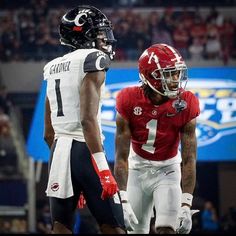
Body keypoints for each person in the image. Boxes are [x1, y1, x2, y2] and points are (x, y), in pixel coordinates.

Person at [43, 5, 125, 234]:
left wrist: (68, 172)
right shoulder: (94, 59)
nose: (105, 40)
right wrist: (103, 170)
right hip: (85, 149)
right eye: (99, 34)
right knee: (114, 227)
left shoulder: (51, 68)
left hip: (58, 152)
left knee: (61, 227)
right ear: (83, 35)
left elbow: (48, 132)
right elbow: (87, 120)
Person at [114, 43, 200, 234]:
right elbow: (121, 156)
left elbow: (189, 159)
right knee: (135, 231)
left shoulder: (186, 102)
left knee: (167, 230)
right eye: (169, 73)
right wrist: (123, 198)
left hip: (168, 170)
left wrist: (186, 203)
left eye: (177, 73)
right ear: (149, 76)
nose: (176, 79)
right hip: (136, 168)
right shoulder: (128, 99)